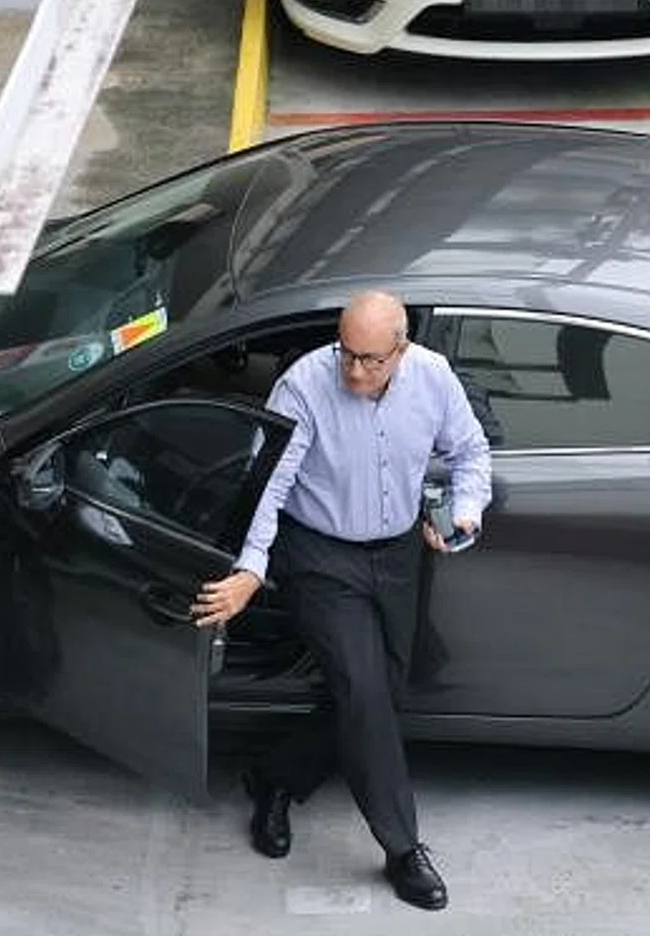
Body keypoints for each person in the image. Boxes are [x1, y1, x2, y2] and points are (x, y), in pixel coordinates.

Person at [192, 290, 492, 912]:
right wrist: (251, 568)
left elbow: (470, 452)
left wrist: (463, 513)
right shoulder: (303, 386)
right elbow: (266, 487)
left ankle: (277, 776)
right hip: (322, 557)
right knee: (362, 688)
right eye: (346, 354)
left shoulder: (433, 378)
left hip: (400, 553)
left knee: (385, 688)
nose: (355, 371)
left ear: (401, 350)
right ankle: (404, 848)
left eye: (371, 360)